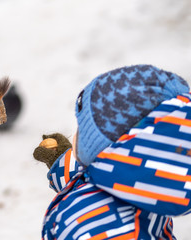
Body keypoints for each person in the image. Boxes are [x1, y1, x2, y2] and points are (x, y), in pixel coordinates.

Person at [34, 64, 191, 239]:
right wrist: (61, 160)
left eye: (84, 129)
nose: (76, 135)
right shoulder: (137, 179)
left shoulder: (114, 231)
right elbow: (89, 177)